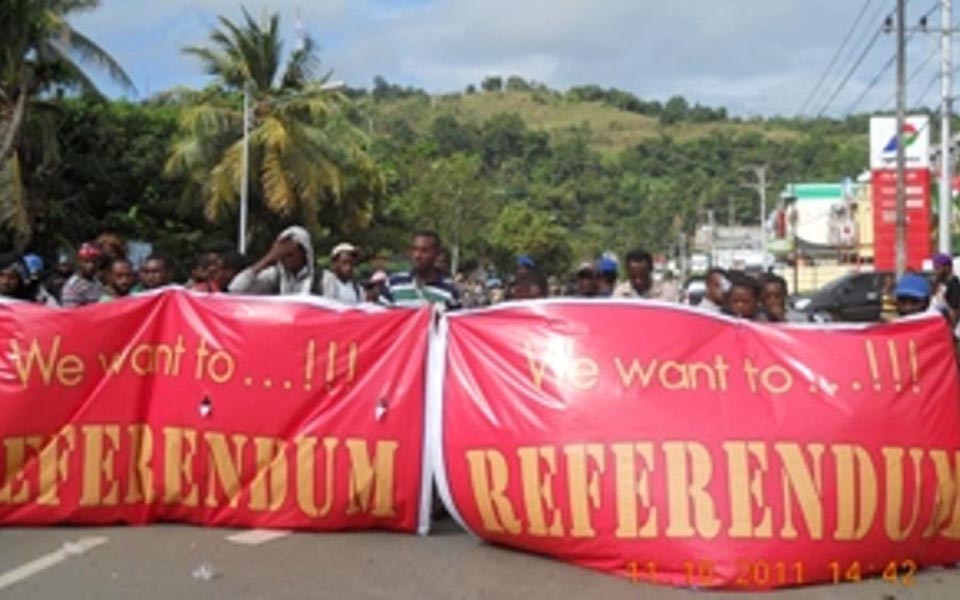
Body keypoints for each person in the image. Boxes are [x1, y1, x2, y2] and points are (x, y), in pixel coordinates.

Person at [228, 226, 315, 295]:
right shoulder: (274, 277)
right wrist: (269, 257)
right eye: (282, 255)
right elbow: (235, 289)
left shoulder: (323, 280)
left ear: (304, 253)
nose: (286, 260)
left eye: (290, 255)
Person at [385, 230, 460, 309]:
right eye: (414, 249)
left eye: (424, 251)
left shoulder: (449, 290)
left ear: (437, 254)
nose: (417, 255)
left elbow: (453, 319)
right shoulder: (393, 283)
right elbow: (380, 317)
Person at [61, 243, 105, 307]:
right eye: (87, 261)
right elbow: (71, 313)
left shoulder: (97, 283)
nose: (91, 265)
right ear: (79, 262)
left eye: (94, 262)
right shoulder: (72, 286)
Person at [932, 253, 960, 325]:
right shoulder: (940, 282)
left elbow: (955, 309)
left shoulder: (953, 284)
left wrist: (952, 327)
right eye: (935, 268)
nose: (935, 271)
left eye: (938, 268)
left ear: (947, 267)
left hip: (949, 324)